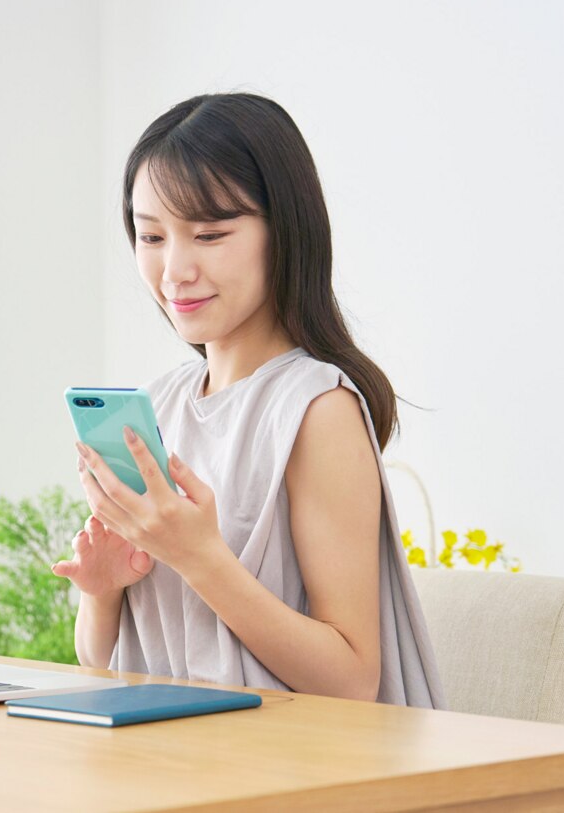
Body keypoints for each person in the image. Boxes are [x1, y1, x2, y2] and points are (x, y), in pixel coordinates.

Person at [51, 93, 446, 707]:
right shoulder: (160, 405)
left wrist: (199, 557)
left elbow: (352, 680)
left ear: (283, 232)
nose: (173, 270)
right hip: (174, 759)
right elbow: (101, 661)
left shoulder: (318, 409)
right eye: (151, 235)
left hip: (289, 769)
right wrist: (103, 589)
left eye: (209, 234)